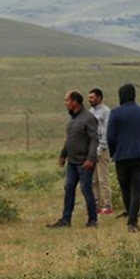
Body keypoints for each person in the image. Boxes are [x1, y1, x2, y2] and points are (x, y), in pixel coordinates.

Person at [107, 84, 140, 233]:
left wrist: (113, 153)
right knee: (137, 189)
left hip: (122, 157)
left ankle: (130, 216)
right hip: (139, 156)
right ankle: (133, 222)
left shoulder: (115, 113)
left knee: (125, 189)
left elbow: (110, 137)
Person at [49, 90, 99, 228]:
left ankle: (93, 220)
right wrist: (63, 154)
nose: (65, 103)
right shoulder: (73, 119)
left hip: (84, 162)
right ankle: (66, 220)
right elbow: (70, 140)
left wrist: (91, 158)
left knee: (86, 189)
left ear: (75, 102)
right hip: (72, 162)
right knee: (69, 188)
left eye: (67, 100)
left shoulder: (88, 118)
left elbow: (94, 139)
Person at [88, 88, 113, 215]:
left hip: (102, 150)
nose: (90, 100)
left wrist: (101, 147)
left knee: (103, 178)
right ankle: (96, 204)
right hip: (92, 149)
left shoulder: (106, 112)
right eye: (89, 97)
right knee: (93, 180)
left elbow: (105, 131)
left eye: (92, 97)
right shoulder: (90, 112)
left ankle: (107, 205)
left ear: (99, 98)